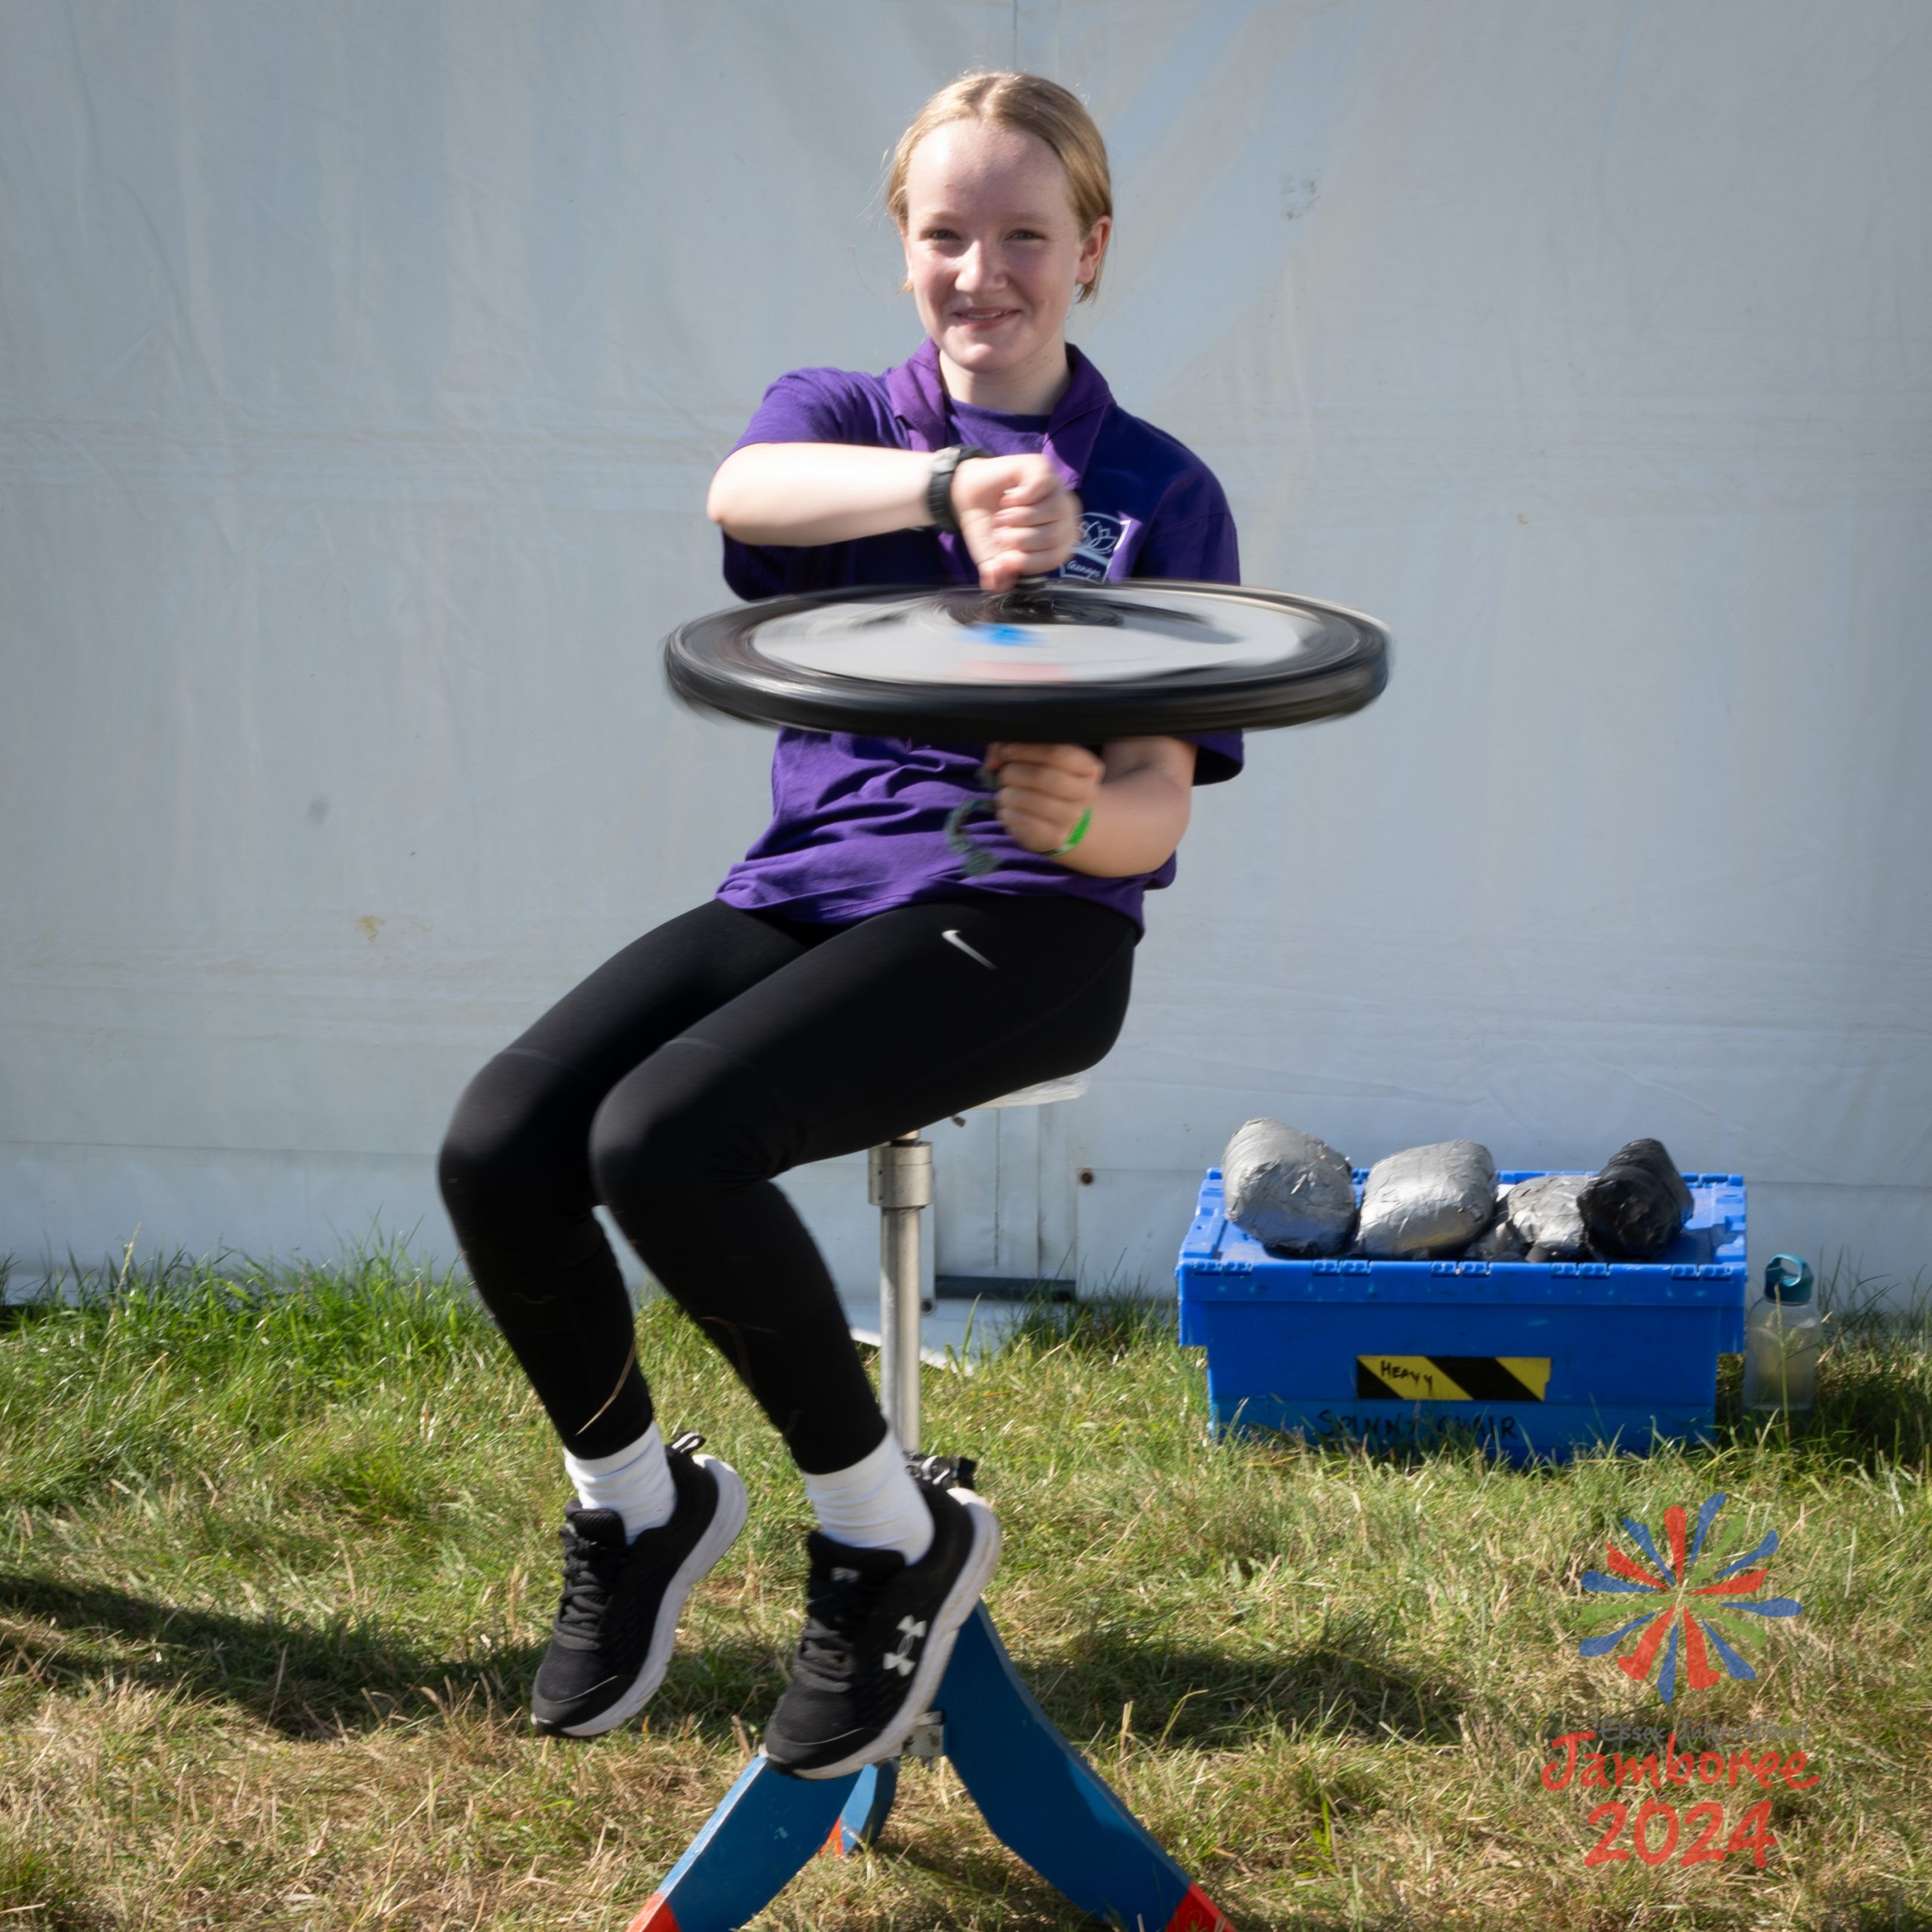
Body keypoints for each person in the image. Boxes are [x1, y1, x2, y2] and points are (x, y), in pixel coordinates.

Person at [437, 70, 1242, 1780]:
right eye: (943, 234)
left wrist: (1087, 817)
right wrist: (944, 488)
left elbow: (1165, 787)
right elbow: (743, 495)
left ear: (1090, 250)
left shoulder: (1160, 493)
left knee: (664, 1140)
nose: (981, 272)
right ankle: (636, 1504)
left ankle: (886, 1533)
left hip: (1028, 921)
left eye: (1024, 235)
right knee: (503, 1140)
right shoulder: (847, 422)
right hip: (809, 884)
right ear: (902, 249)